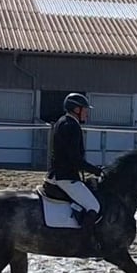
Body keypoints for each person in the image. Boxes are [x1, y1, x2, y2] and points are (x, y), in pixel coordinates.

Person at [45, 92, 104, 250]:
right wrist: (96, 171)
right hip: (65, 176)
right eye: (84, 109)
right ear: (76, 109)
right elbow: (75, 159)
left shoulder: (63, 122)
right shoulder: (71, 125)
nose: (86, 112)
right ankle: (85, 243)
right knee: (93, 206)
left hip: (61, 173)